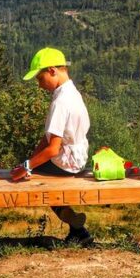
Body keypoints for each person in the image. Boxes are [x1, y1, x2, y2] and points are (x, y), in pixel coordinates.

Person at [10, 47, 92, 245]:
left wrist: (26, 167)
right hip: (79, 157)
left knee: (30, 181)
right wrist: (30, 161)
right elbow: (47, 139)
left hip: (65, 162)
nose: (39, 85)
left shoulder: (61, 102)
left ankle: (73, 223)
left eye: (40, 78)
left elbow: (53, 149)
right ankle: (77, 229)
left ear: (52, 71)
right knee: (31, 169)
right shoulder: (72, 93)